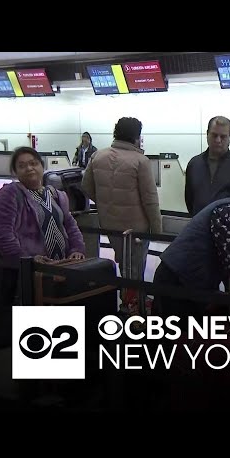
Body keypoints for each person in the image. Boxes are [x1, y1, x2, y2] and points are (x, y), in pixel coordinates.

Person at [81, 117, 162, 315]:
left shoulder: (98, 156)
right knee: (135, 269)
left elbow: (86, 187)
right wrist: (157, 231)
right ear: (136, 137)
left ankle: (128, 301)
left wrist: (104, 203)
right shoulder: (140, 161)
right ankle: (133, 307)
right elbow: (150, 201)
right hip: (136, 229)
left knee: (124, 264)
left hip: (109, 222)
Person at [0, 146, 85, 262]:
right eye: (22, 166)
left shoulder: (55, 194)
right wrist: (24, 260)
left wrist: (77, 249)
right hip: (32, 272)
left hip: (63, 265)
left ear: (42, 166)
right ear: (15, 172)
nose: (29, 168)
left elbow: (71, 226)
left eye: (33, 163)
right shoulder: (10, 194)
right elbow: (0, 232)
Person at [184, 116, 230, 217]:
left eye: (223, 136)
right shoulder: (194, 165)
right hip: (199, 228)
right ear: (207, 134)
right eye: (214, 135)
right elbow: (189, 200)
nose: (218, 140)